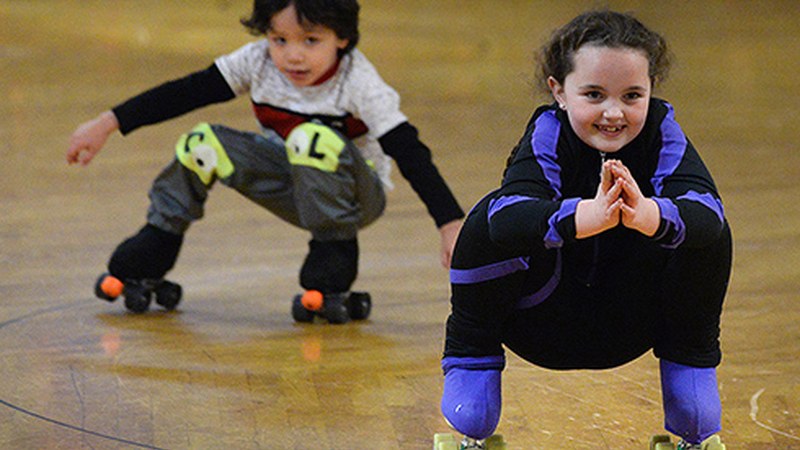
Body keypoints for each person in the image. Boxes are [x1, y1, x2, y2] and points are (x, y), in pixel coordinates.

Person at [437, 10, 730, 450]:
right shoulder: (548, 132)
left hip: (632, 321)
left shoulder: (662, 129)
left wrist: (648, 215)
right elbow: (509, 218)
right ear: (559, 90)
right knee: (487, 218)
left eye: (632, 95)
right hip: (541, 320)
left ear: (651, 88)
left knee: (708, 229)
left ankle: (691, 383)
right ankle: (472, 361)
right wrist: (583, 217)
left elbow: (705, 210)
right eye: (593, 94)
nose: (613, 112)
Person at [66, 0, 464, 321]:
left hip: (357, 197)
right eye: (279, 40)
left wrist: (449, 222)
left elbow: (408, 150)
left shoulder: (359, 81)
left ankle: (333, 256)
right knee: (202, 143)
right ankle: (156, 245)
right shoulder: (258, 61)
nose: (293, 56)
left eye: (311, 40)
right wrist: (108, 123)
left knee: (309, 138)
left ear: (342, 38)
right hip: (292, 181)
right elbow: (187, 92)